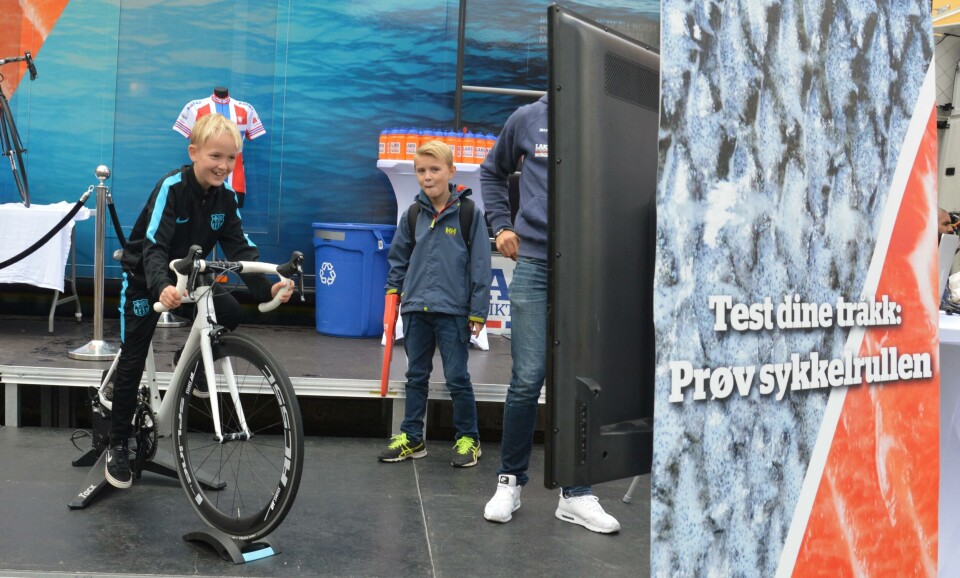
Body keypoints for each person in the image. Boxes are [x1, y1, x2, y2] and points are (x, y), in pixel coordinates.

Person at [105, 113, 293, 489]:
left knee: (231, 311)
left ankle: (187, 364)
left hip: (190, 279)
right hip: (146, 280)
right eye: (216, 157)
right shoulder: (171, 187)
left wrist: (267, 288)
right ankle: (117, 444)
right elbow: (154, 247)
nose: (224, 166)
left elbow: (242, 250)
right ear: (194, 152)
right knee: (133, 356)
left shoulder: (225, 198)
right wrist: (160, 287)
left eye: (231, 159)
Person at [479, 95, 620, 533]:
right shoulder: (527, 117)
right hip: (537, 263)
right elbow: (491, 171)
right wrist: (500, 225)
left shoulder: (604, 115)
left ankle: (576, 493)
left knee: (581, 379)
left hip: (586, 263)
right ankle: (510, 482)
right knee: (528, 377)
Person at [378, 140, 491, 468]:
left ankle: (469, 437)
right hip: (416, 308)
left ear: (451, 171)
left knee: (457, 376)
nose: (427, 177)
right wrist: (392, 293)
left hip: (454, 310)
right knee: (416, 375)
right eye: (421, 170)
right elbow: (398, 258)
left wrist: (478, 310)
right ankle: (412, 437)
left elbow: (481, 265)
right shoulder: (412, 214)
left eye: (435, 170)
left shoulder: (469, 213)